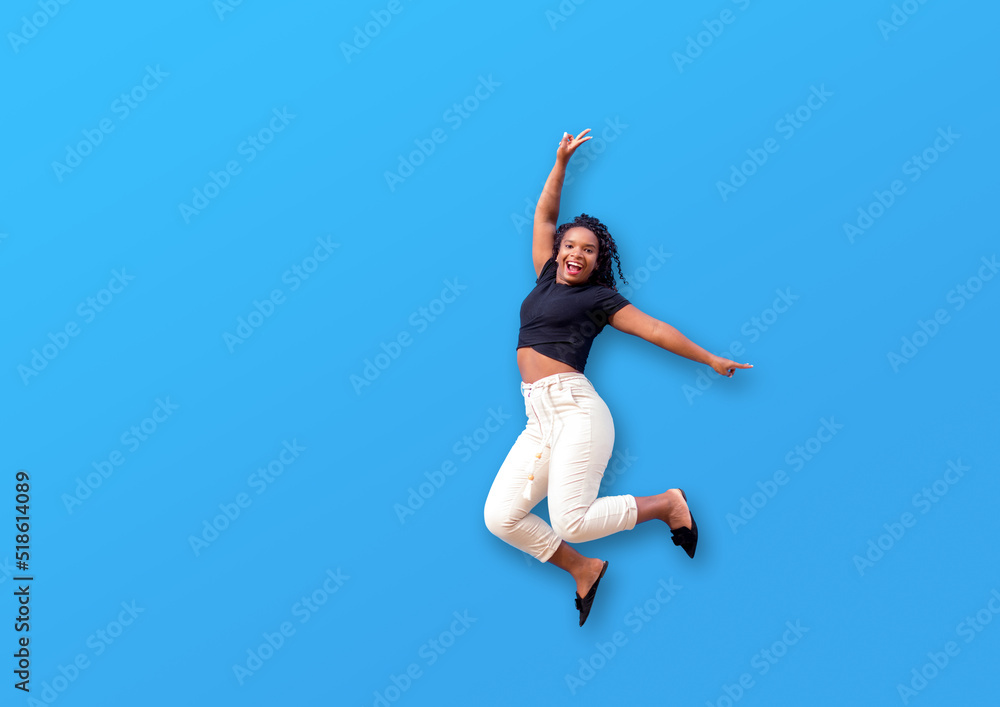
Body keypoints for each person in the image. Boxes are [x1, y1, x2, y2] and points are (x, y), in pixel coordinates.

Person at [483, 129, 753, 626]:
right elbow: (543, 216)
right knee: (500, 518)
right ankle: (583, 569)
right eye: (571, 245)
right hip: (538, 418)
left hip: (576, 411)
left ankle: (670, 504)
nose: (576, 254)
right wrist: (561, 163)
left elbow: (653, 328)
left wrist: (710, 359)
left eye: (588, 251)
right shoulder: (545, 276)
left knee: (573, 519)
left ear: (597, 262)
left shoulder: (598, 300)